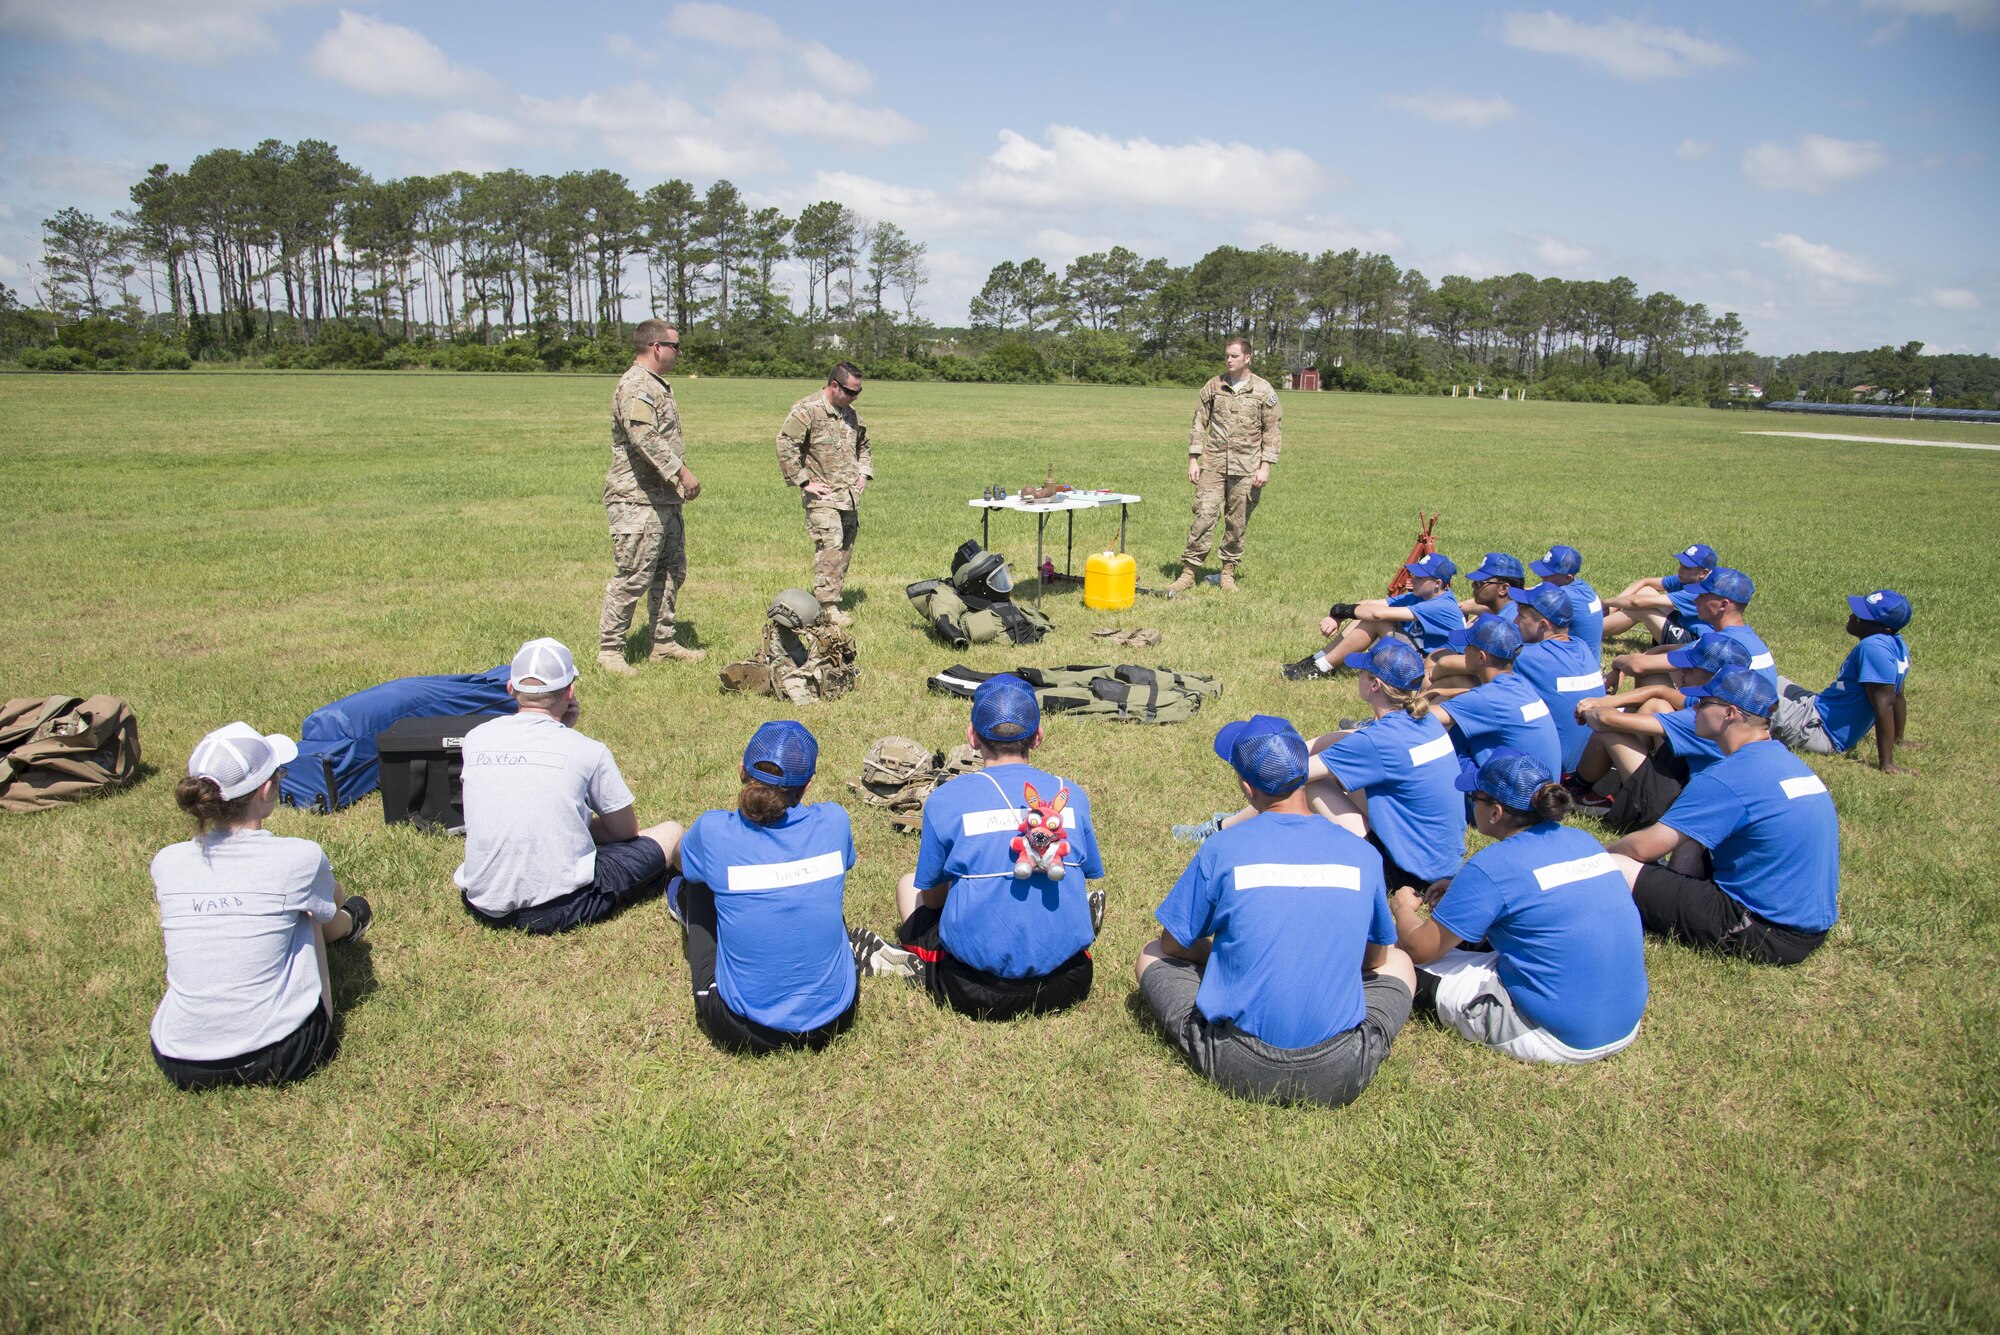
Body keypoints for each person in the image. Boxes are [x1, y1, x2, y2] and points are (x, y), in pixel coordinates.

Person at [1137, 715, 1416, 1105]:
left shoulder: (1221, 849)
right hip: (1340, 1069)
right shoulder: (1363, 855)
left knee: (1150, 955)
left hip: (1235, 1062)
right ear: (1306, 775)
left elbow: (1173, 945)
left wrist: (1215, 954)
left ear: (1247, 789)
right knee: (1399, 962)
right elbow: (1374, 960)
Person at [150, 723, 372, 1090]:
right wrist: (343, 914)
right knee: (308, 912)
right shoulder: (298, 857)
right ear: (267, 789)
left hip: (179, 1060)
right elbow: (328, 905)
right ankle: (352, 926)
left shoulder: (167, 861)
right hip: (282, 1054)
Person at [1390, 750, 1645, 1065]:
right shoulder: (1585, 841)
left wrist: (1402, 908)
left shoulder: (1493, 866)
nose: (1471, 803)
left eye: (1474, 797)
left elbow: (1418, 949)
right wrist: (1462, 891)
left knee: (1393, 959)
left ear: (1495, 812)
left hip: (1553, 1036)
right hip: (1623, 1022)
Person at [1173, 640, 1465, 896]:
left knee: (1303, 783)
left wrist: (1274, 755)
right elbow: (1358, 742)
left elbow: (1286, 775)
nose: (1357, 675)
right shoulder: (1425, 720)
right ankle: (1238, 817)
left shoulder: (1376, 743)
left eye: (1362, 670)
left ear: (1374, 684)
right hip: (1442, 862)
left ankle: (1220, 828)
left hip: (1406, 874)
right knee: (1341, 747)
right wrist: (1302, 745)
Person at [893, 674, 1105, 1019]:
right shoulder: (1072, 795)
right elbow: (1088, 870)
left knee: (909, 885)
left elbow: (932, 899)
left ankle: (915, 963)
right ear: (1037, 737)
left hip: (975, 990)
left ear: (973, 737)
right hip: (1072, 979)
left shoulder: (946, 799)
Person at [1607, 667, 1840, 966]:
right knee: (1690, 831)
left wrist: (1596, 857)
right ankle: (1675, 892)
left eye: (1703, 704)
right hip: (1808, 927)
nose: (1694, 710)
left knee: (1613, 866)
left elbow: (1644, 848)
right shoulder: (1783, 761)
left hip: (1761, 931)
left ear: (1730, 713)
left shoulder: (1728, 775)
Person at [456, 638, 684, 935]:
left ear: (511, 689)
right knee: (671, 832)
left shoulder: (475, 738)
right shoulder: (588, 750)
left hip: (482, 902)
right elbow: (624, 831)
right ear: (570, 690)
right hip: (560, 907)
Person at [668, 722, 864, 1054]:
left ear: (742, 770)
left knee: (696, 882)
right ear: (807, 786)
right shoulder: (835, 821)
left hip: (744, 1028)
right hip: (837, 1017)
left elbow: (678, 859)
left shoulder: (713, 830)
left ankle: (679, 905)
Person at [598, 318, 705, 675]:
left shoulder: (656, 385)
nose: (679, 353)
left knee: (671, 571)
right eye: (676, 346)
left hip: (663, 499)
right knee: (633, 576)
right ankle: (610, 652)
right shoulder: (636, 385)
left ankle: (663, 642)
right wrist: (681, 472)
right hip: (636, 500)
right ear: (657, 347)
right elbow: (644, 436)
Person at [1571, 633, 1752, 829]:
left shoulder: (1701, 718)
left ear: (1714, 677)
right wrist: (1608, 701)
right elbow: (1660, 691)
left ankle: (1576, 789)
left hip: (1676, 810)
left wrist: (1588, 709)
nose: (1682, 672)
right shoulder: (1722, 702)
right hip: (1691, 787)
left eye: (1690, 669)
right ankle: (1619, 771)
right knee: (1657, 704)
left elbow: (1605, 721)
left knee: (1608, 733)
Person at [1168, 336, 1282, 594]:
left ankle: (1228, 572)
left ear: (1247, 358)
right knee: (1204, 515)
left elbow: (1273, 431)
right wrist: (1193, 458)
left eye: (1234, 356)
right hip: (1213, 464)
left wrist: (1266, 466)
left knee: (1237, 522)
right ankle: (1189, 572)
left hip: (1247, 468)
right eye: (1227, 356)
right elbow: (1199, 422)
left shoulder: (1263, 391)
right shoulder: (1214, 386)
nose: (1228, 360)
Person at [1769, 589, 1914, 772]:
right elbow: (1898, 696)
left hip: (1819, 730)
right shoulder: (1896, 644)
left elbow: (1884, 705)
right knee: (1768, 679)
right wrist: (1898, 740)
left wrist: (1887, 764)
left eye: (1862, 617)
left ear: (1883, 629)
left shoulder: (1872, 648)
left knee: (1742, 695)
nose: (1852, 616)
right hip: (1818, 707)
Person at [776, 362, 872, 627]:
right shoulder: (807, 410)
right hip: (823, 497)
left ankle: (832, 596)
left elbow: (863, 444)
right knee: (830, 546)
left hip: (848, 496)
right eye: (851, 392)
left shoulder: (851, 415)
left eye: (858, 392)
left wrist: (863, 472)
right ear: (834, 385)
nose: (855, 397)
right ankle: (827, 608)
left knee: (844, 548)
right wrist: (803, 481)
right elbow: (785, 444)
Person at [1282, 554, 1467, 681]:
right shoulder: (1420, 596)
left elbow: (1378, 614)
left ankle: (1320, 668)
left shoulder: (1441, 606)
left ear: (1437, 584)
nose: (1413, 579)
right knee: (1368, 612)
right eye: (1414, 574)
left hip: (1429, 670)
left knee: (1377, 620)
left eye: (1420, 576)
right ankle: (1317, 660)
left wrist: (1342, 611)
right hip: (1418, 657)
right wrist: (1337, 615)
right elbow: (1372, 604)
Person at [1426, 614, 1564, 781]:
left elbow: (1422, 717)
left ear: (1481, 657)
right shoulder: (1520, 683)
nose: (1463, 651)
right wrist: (1442, 692)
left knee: (1440, 742)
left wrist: (1410, 701)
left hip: (1513, 799)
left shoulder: (1487, 699)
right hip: (1539, 787)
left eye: (1467, 646)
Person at [1605, 568, 1775, 694]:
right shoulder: (1746, 636)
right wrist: (1623, 669)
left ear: (1723, 605)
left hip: (1727, 728)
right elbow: (1666, 651)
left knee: (1652, 686)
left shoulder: (1718, 643)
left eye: (1702, 596)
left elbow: (1638, 666)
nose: (1696, 601)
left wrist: (1618, 663)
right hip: (1748, 720)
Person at [1508, 582, 1606, 773]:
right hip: (1589, 760)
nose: (1514, 621)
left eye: (1521, 615)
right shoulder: (1581, 646)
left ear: (1543, 625)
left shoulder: (1527, 657)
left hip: (1553, 767)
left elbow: (1475, 664)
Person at [1600, 542, 1718, 646]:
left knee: (1643, 610)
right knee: (1646, 591)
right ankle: (1596, 624)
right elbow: (1644, 582)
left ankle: (1586, 631)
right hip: (1685, 625)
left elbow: (1636, 602)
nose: (1680, 569)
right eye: (1681, 564)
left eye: (1687, 567)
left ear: (1704, 572)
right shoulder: (1690, 578)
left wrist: (1605, 602)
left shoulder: (1701, 592)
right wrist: (1612, 609)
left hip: (1694, 642)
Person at [1528, 544, 1604, 658]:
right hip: (1588, 661)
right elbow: (1532, 591)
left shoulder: (1563, 596)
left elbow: (1526, 603)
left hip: (1574, 663)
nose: (1541, 577)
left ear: (1568, 577)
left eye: (1547, 576)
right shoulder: (1581, 587)